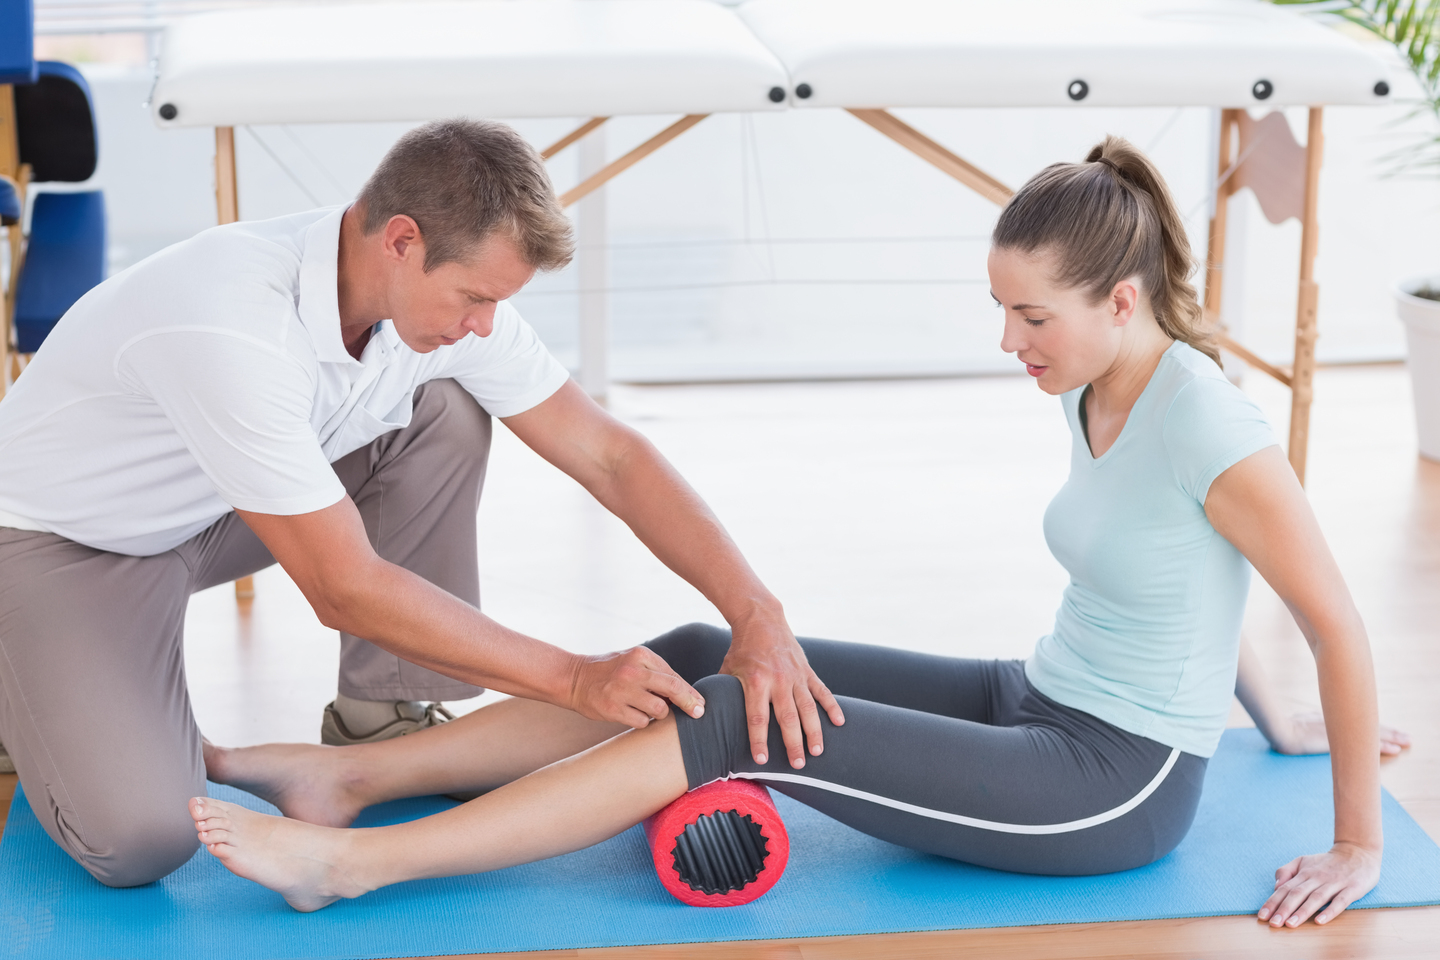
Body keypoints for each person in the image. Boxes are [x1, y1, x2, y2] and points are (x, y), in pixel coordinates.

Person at [190, 136, 1399, 929]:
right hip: (1039, 698)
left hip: (1111, 784)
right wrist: (1270, 716)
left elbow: (1335, 625)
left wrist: (1355, 842)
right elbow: (1187, 569)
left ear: (1121, 303)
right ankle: (350, 773)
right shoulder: (1097, 381)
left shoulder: (1213, 424)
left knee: (736, 725)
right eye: (1002, 309)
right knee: (699, 649)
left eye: (1031, 316)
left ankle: (354, 865)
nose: (1008, 341)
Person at [0, 119, 843, 886]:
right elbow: (342, 586)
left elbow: (609, 455)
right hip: (61, 547)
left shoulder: (430, 300)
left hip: (210, 510)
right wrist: (575, 679)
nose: (485, 324)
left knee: (442, 407)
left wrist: (755, 610)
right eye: (475, 297)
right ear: (401, 241)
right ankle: (25, 688)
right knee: (142, 840)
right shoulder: (230, 323)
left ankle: (377, 725)